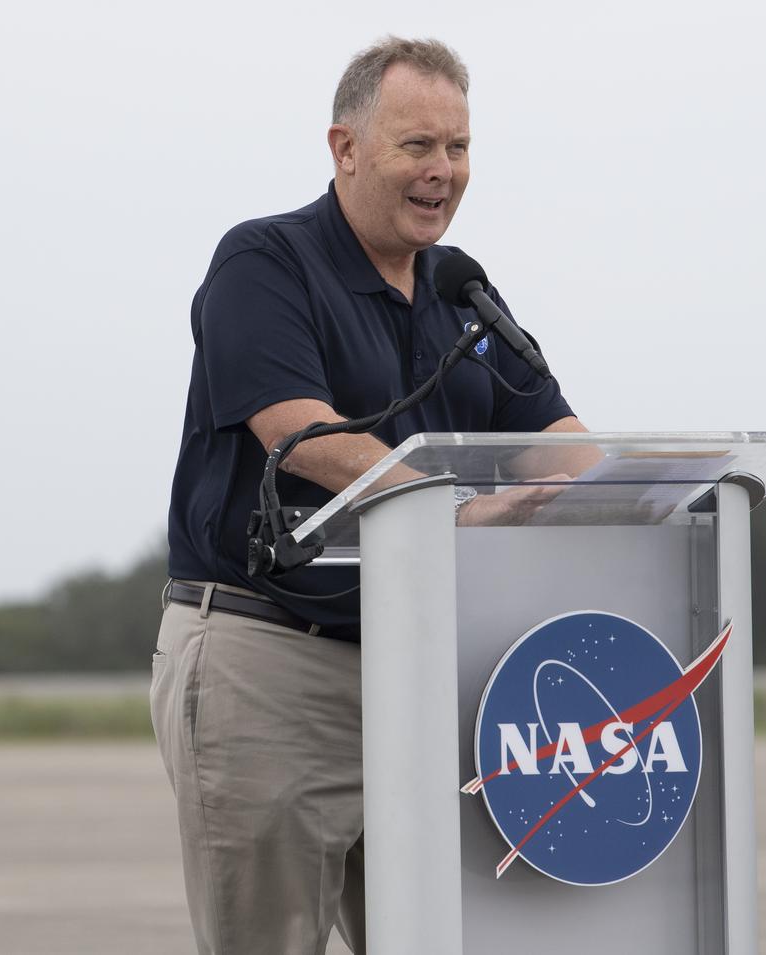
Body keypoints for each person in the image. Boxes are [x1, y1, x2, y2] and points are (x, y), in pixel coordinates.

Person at [150, 37, 588, 955]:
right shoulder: (265, 262)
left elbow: (561, 445)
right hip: (272, 661)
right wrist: (456, 508)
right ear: (345, 148)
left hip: (427, 672)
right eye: (417, 146)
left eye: (458, 148)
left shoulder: (464, 294)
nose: (444, 172)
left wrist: (638, 489)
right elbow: (302, 435)